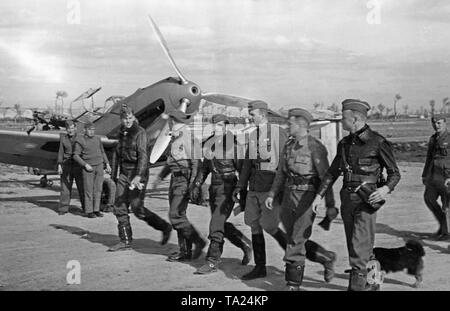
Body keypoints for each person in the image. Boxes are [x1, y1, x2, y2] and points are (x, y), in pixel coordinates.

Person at [312, 99, 401, 291]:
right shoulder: (344, 143)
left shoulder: (377, 142)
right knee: (358, 246)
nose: (341, 121)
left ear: (355, 119)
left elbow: (394, 173)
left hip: (366, 200)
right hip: (347, 200)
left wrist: (385, 189)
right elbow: (332, 172)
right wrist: (319, 195)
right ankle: (374, 281)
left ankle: (356, 288)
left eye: (343, 117)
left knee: (359, 250)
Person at [265, 108, 337, 291]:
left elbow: (326, 178)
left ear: (300, 125)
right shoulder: (288, 145)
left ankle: (293, 284)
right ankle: (326, 257)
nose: (286, 126)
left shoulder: (315, 146)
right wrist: (272, 194)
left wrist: (330, 204)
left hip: (307, 197)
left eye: (289, 123)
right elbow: (281, 174)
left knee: (295, 241)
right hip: (289, 196)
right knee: (294, 238)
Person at [232, 100, 289, 280]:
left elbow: (284, 164)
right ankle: (260, 267)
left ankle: (293, 261)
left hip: (269, 187)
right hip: (254, 188)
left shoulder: (278, 133)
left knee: (270, 226)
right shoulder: (253, 135)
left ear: (263, 115)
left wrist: (279, 190)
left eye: (253, 115)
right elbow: (248, 164)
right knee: (254, 225)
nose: (250, 118)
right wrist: (240, 186)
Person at [190, 114, 252, 274]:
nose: (218, 128)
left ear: (226, 127)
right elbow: (204, 168)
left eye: (221, 125)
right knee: (220, 224)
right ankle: (245, 244)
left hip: (228, 188)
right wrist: (197, 184)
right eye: (216, 125)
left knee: (215, 225)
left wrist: (242, 196)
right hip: (214, 188)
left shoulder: (234, 145)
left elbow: (242, 171)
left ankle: (212, 261)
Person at [108, 105, 172, 251]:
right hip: (124, 173)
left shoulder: (140, 132)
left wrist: (138, 176)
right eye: (125, 118)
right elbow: (117, 154)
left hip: (137, 173)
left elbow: (143, 155)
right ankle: (125, 240)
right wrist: (113, 176)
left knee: (137, 208)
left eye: (130, 118)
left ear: (133, 117)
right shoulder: (121, 132)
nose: (128, 121)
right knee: (119, 206)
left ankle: (164, 227)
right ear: (121, 119)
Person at [154, 122, 206, 262]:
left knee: (175, 215)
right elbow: (170, 162)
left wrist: (193, 185)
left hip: (183, 180)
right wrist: (160, 176)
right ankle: (185, 251)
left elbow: (196, 164)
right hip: (174, 180)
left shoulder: (190, 140)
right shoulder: (174, 141)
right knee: (178, 215)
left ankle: (198, 241)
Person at [73, 121, 111, 218]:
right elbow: (75, 156)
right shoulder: (80, 140)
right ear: (84, 130)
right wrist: (85, 165)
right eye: (89, 130)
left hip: (99, 166)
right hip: (88, 168)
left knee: (98, 189)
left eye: (93, 130)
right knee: (88, 190)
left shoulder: (98, 139)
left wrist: (107, 164)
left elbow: (102, 152)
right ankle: (89, 211)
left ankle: (96, 210)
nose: (91, 132)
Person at [423, 115, 450, 240]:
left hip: (446, 177)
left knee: (447, 205)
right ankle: (443, 226)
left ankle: (446, 233)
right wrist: (425, 175)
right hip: (433, 176)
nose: (436, 125)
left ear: (445, 123)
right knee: (429, 198)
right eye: (434, 123)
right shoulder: (433, 139)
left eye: (439, 123)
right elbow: (429, 158)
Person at [57, 120, 84, 215]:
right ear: (66, 129)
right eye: (68, 129)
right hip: (67, 165)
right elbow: (61, 152)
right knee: (65, 188)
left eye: (72, 128)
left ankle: (85, 208)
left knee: (82, 187)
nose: (70, 130)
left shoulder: (81, 138)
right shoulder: (63, 138)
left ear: (75, 128)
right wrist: (60, 165)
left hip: (78, 165)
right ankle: (63, 208)